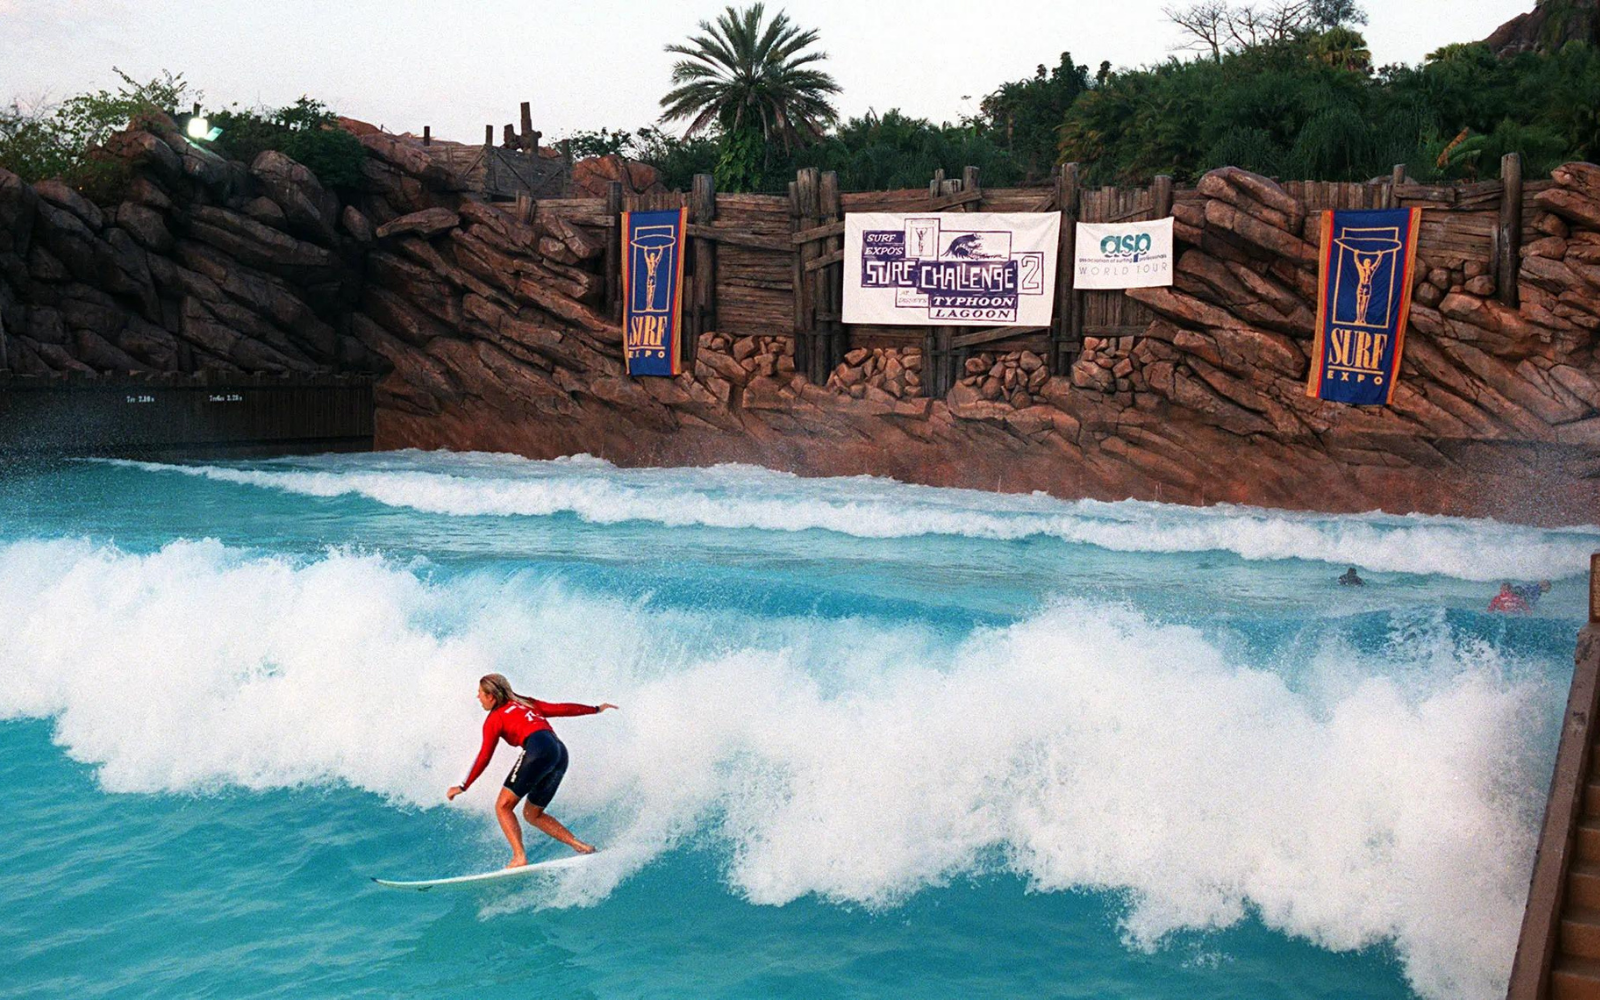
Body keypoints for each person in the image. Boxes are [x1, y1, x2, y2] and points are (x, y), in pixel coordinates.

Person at [447, 673, 618, 868]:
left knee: (503, 806)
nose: (478, 697)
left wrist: (463, 786)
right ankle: (580, 846)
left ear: (491, 697)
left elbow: (485, 756)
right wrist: (595, 709)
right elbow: (561, 709)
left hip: (537, 749)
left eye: (480, 693)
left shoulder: (495, 718)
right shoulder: (525, 703)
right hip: (560, 752)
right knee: (532, 814)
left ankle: (519, 857)